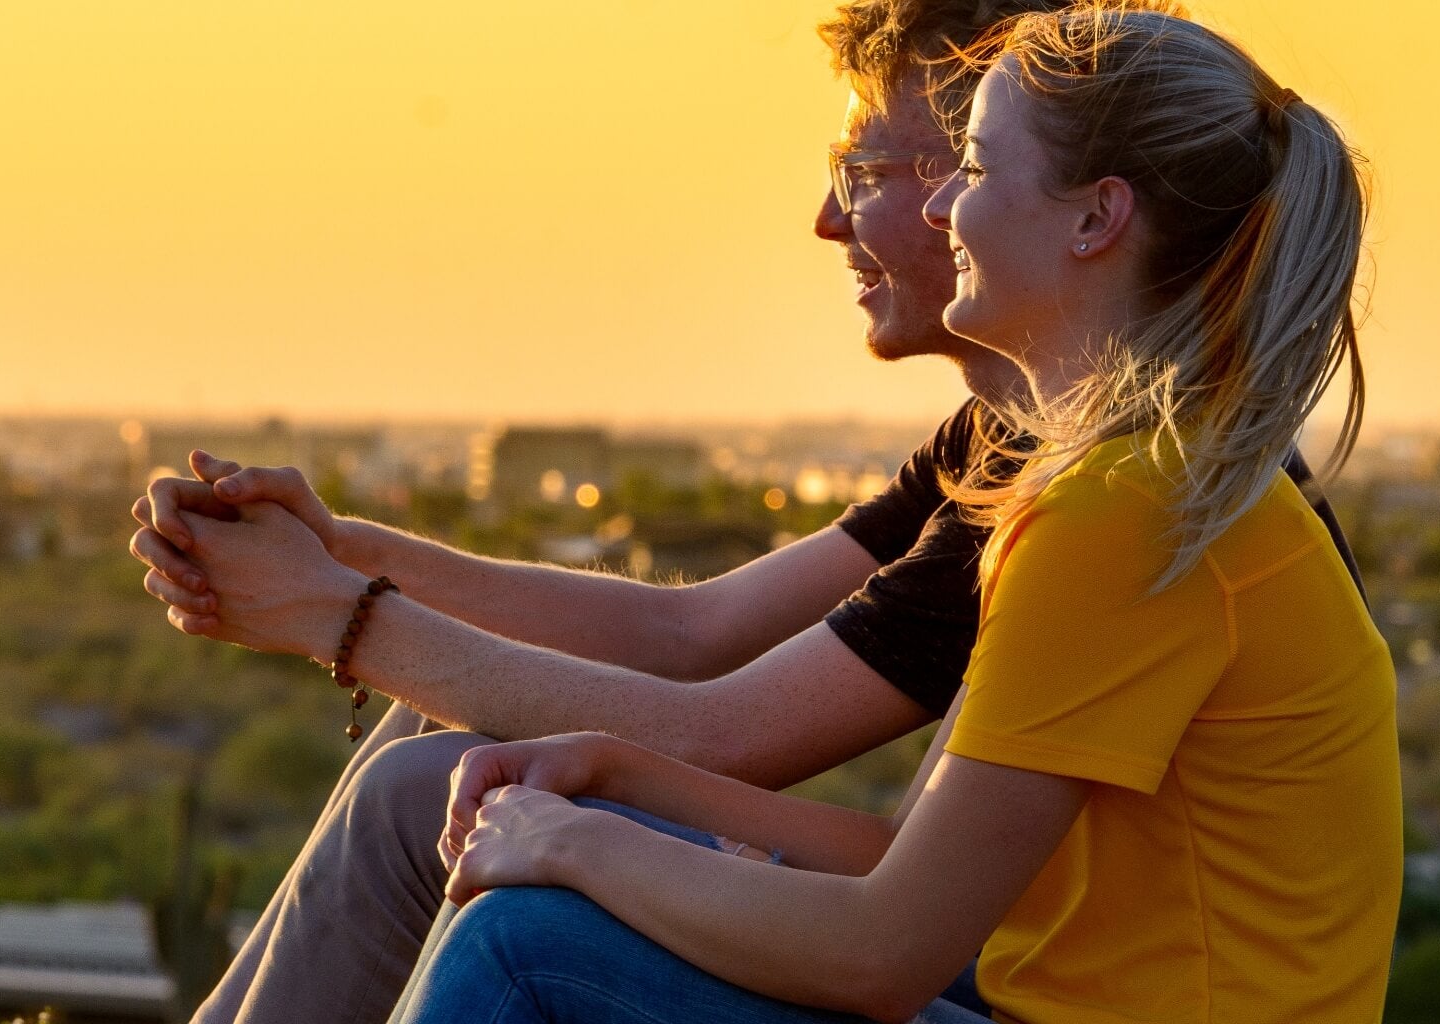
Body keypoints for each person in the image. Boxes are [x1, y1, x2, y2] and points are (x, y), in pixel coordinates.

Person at [122, 1, 1348, 1019]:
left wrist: (356, 628)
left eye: (953, 169)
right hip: (1023, 980)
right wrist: (347, 563)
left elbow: (867, 916)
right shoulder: (1082, 471)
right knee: (456, 777)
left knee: (524, 938)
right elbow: (711, 656)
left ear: (1097, 215)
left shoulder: (1128, 509)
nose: (917, 212)